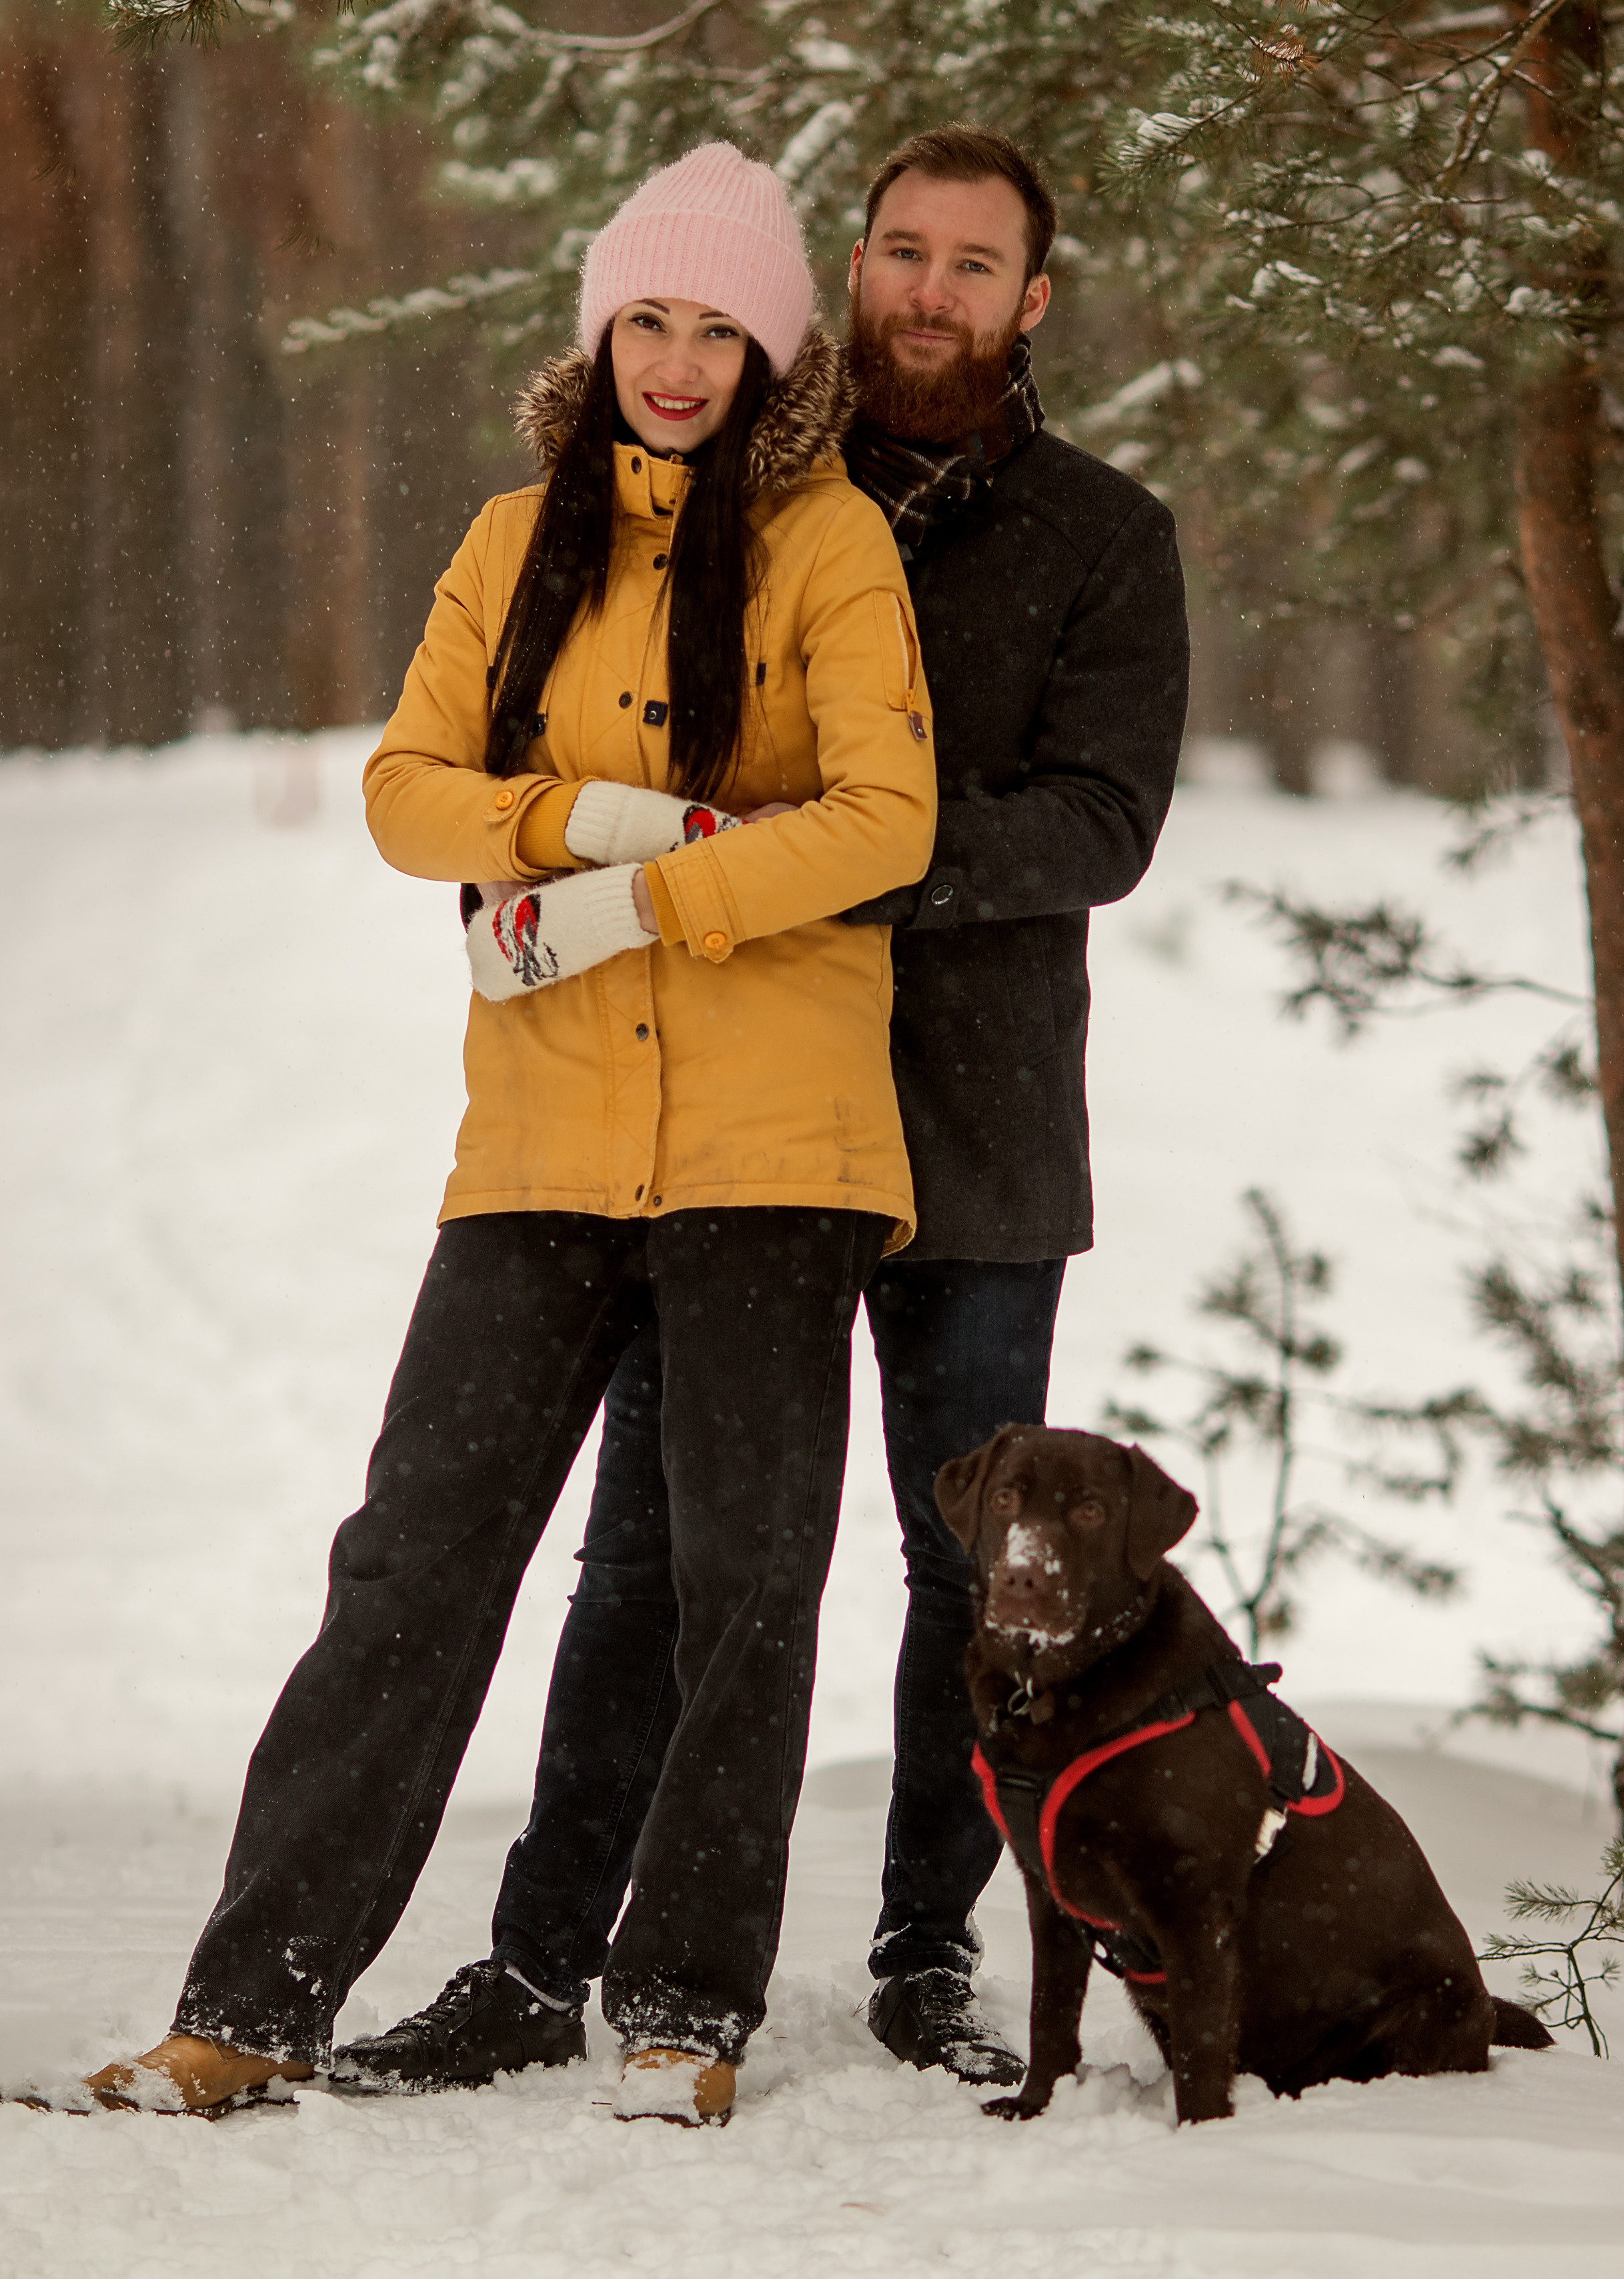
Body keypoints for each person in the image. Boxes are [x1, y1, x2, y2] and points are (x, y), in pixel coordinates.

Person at [82, 141, 938, 2130]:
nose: (675, 358)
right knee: (411, 1563)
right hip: (541, 1143)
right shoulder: (509, 537)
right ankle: (251, 2008)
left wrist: (662, 898)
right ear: (600, 329)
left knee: (744, 1582)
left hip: (772, 1142)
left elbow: (886, 821)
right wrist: (585, 824)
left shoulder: (828, 548)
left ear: (771, 354)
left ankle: (684, 2011)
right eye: (648, 316)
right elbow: (403, 792)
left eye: (718, 326)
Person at [339, 126, 1191, 2098]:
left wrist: (831, 860)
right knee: (656, 1551)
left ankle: (921, 1949)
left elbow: (1101, 820)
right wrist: (595, 865)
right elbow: (544, 751)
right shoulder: (730, 500)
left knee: (962, 1557)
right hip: (717, 1109)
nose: (928, 290)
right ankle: (544, 1958)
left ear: (1029, 301)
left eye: (972, 265)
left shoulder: (1093, 532)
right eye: (898, 251)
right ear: (844, 284)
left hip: (967, 1110)